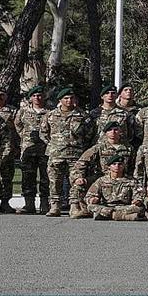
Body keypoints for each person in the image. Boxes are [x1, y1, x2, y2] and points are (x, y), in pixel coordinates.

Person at [41, 87, 95, 217]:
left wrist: (79, 146)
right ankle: (55, 206)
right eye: (66, 98)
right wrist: (54, 145)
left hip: (75, 155)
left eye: (71, 98)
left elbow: (89, 134)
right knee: (55, 181)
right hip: (56, 154)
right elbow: (43, 133)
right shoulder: (51, 115)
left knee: (76, 181)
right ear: (60, 100)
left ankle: (74, 206)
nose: (69, 100)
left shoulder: (82, 115)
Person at [68, 122, 135, 218]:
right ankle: (77, 208)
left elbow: (134, 166)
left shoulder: (128, 148)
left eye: (116, 130)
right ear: (105, 133)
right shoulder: (98, 148)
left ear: (120, 131)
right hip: (101, 178)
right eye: (110, 130)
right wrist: (78, 177)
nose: (113, 132)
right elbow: (81, 163)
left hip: (122, 178)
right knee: (79, 184)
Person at [14, 85, 50, 214]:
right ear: (30, 98)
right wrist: (25, 136)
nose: (37, 98)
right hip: (28, 148)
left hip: (45, 148)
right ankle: (29, 204)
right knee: (28, 176)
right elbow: (18, 125)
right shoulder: (23, 111)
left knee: (46, 177)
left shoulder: (50, 111)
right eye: (34, 96)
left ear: (44, 97)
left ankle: (45, 204)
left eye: (39, 95)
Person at [85, 155, 144, 221]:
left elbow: (139, 195)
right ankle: (122, 216)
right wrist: (92, 199)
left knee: (139, 208)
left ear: (123, 166)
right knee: (91, 206)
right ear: (109, 167)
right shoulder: (101, 180)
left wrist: (137, 201)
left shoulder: (131, 181)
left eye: (120, 164)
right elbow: (89, 196)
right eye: (114, 164)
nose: (117, 166)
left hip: (124, 207)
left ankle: (110, 216)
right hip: (107, 207)